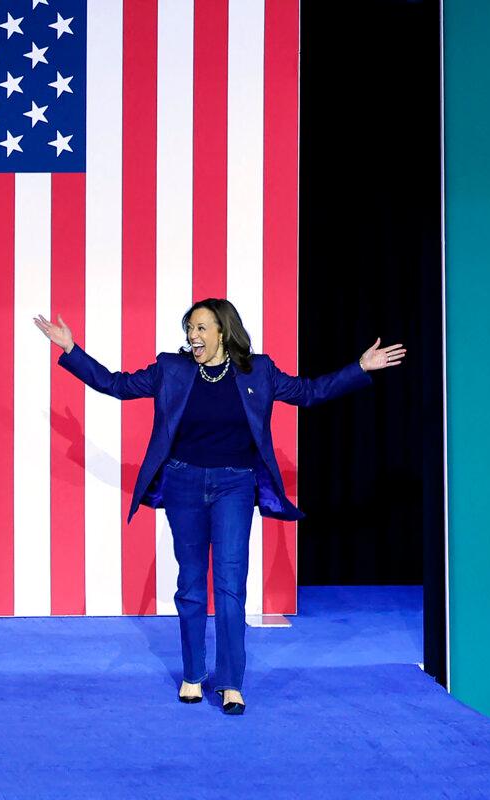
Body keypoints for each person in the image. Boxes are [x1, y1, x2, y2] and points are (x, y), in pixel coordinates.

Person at [33, 298, 405, 715]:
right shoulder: (171, 370)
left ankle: (231, 682)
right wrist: (71, 349)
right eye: (190, 328)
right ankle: (193, 674)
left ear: (223, 332)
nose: (193, 336)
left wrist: (360, 368)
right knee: (191, 585)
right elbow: (116, 385)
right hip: (183, 485)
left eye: (202, 328)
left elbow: (309, 392)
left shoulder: (257, 371)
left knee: (230, 585)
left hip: (235, 485)